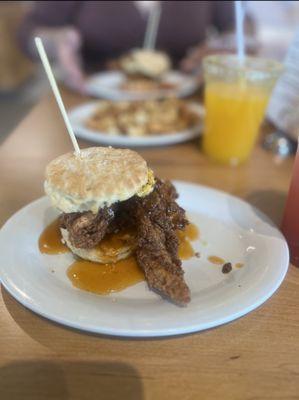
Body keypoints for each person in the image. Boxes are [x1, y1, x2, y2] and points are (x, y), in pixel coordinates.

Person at [18, 1, 235, 91]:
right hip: (85, 106)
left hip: (188, 109)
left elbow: (241, 26)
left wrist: (223, 49)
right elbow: (29, 31)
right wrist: (56, 43)